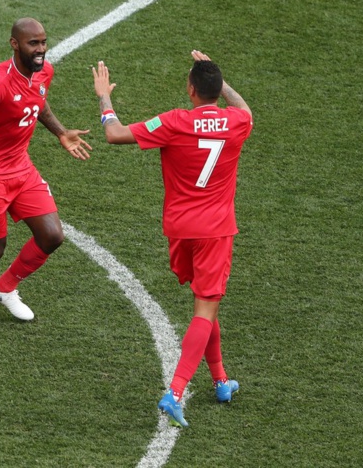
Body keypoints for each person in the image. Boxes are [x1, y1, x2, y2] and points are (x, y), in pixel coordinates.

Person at [92, 51, 253, 427]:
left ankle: (220, 380)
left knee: (207, 305)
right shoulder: (237, 122)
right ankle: (175, 391)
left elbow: (114, 134)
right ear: (216, 90)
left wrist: (104, 96)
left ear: (191, 90)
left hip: (181, 229)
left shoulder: (175, 122)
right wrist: (219, 78)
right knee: (205, 308)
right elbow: (244, 106)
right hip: (215, 231)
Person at [0, 17, 92, 329]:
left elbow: (38, 103)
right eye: (33, 44)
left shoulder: (44, 72)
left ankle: (4, 287)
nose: (41, 49)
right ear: (14, 44)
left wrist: (60, 132)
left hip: (21, 167)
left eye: (43, 42)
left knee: (52, 236)